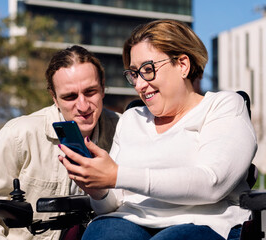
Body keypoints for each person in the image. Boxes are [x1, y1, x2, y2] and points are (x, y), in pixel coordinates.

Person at [58, 20, 258, 240]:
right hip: (129, 220)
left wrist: (117, 175)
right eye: (134, 74)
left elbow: (213, 183)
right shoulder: (132, 118)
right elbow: (110, 205)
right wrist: (98, 188)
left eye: (147, 70)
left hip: (203, 222)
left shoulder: (223, 106)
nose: (139, 85)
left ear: (182, 64)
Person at [0, 45, 121, 240]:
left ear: (103, 87)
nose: (83, 106)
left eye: (90, 92)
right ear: (54, 97)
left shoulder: (125, 129)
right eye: (69, 96)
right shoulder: (20, 134)